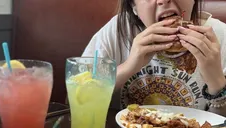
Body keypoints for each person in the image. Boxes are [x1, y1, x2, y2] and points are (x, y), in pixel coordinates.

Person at [83, 0, 226, 116]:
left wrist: (216, 82)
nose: (163, 1)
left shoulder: (220, 37)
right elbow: (78, 100)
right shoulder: (117, 31)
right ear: (134, 7)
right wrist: (128, 67)